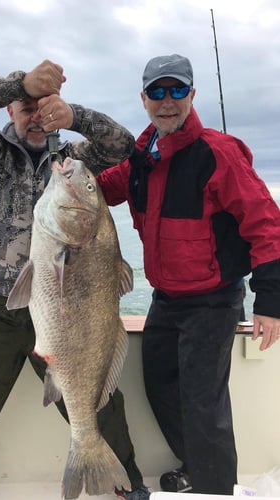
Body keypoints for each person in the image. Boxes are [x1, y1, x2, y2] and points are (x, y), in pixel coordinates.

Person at [0, 60, 150, 500]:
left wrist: (74, 116)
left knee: (102, 405)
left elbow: (123, 144)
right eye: (26, 107)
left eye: (45, 107)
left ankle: (127, 489)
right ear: (9, 111)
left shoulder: (74, 161)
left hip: (70, 306)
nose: (36, 116)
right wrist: (17, 84)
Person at [97, 54, 280, 495]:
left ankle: (216, 489)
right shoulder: (143, 157)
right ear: (143, 99)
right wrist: (61, 180)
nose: (167, 101)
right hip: (166, 298)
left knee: (203, 405)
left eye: (177, 90)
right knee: (158, 387)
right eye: (157, 92)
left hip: (214, 300)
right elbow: (104, 187)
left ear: (192, 94)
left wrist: (271, 304)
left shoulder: (218, 153)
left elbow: (267, 226)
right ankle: (198, 469)